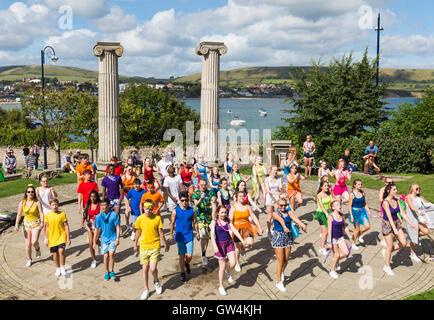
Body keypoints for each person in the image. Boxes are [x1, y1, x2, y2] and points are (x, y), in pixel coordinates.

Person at [134, 199, 169, 300]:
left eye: (150, 209)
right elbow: (137, 232)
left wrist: (165, 244)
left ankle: (156, 281)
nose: (148, 211)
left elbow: (161, 232)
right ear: (143, 208)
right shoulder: (140, 219)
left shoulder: (157, 218)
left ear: (153, 209)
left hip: (155, 245)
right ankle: (146, 289)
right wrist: (135, 245)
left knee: (152, 268)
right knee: (145, 269)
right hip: (144, 246)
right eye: (146, 208)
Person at [381, 184, 417, 276]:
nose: (396, 191)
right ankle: (387, 266)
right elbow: (389, 217)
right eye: (394, 189)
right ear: (389, 191)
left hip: (396, 223)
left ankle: (386, 253)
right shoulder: (385, 202)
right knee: (390, 246)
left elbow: (403, 214)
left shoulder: (397, 200)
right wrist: (394, 230)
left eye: (396, 189)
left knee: (404, 243)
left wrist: (411, 224)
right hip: (387, 225)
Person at [210, 205, 246, 296]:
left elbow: (234, 230)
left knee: (233, 263)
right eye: (222, 212)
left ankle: (228, 271)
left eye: (225, 212)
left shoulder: (228, 220)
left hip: (229, 243)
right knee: (222, 266)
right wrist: (214, 246)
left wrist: (241, 240)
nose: (223, 214)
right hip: (219, 245)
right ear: (218, 213)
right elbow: (212, 235)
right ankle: (221, 286)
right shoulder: (215, 222)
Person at [272, 198, 307, 291]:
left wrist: (301, 224)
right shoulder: (275, 213)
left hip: (288, 236)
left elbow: (295, 218)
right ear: (277, 205)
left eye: (285, 205)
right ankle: (279, 282)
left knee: (286, 260)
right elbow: (280, 220)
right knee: (280, 260)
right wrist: (284, 227)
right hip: (278, 237)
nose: (283, 207)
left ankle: (282, 272)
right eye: (281, 205)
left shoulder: (289, 212)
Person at [229, 191, 263, 272]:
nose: (241, 197)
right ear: (236, 197)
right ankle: (237, 263)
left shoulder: (248, 207)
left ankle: (243, 247)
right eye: (240, 196)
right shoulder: (233, 208)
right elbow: (230, 221)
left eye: (243, 196)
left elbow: (254, 217)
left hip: (247, 227)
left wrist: (260, 227)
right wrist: (230, 230)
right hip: (237, 228)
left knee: (250, 243)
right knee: (237, 247)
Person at [169, 191, 199, 283]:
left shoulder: (192, 210)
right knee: (181, 256)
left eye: (186, 200)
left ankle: (187, 263)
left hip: (189, 235)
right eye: (182, 200)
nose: (184, 202)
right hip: (180, 236)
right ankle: (182, 273)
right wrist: (171, 234)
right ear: (179, 200)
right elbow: (172, 223)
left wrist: (197, 233)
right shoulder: (175, 211)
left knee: (189, 256)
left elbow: (195, 222)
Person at [15, 185, 44, 267]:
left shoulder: (37, 202)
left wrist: (42, 222)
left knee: (34, 241)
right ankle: (29, 259)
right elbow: (19, 214)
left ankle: (37, 248)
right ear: (26, 193)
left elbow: (41, 213)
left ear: (34, 193)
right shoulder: (22, 202)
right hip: (26, 224)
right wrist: (16, 224)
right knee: (27, 244)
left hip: (36, 223)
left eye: (32, 191)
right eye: (29, 192)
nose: (30, 193)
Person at [93, 198, 121, 281]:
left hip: (113, 238)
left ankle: (112, 271)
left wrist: (117, 239)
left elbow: (118, 227)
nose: (103, 207)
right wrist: (95, 241)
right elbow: (97, 229)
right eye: (101, 205)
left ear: (108, 205)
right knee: (105, 255)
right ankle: (106, 272)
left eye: (104, 205)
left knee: (111, 254)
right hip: (104, 239)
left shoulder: (114, 214)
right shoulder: (98, 217)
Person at [192, 178, 217, 266]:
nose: (203, 187)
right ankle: (203, 256)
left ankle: (204, 253)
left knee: (207, 237)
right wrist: (201, 198)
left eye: (204, 185)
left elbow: (214, 199)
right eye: (201, 185)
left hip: (209, 217)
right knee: (203, 236)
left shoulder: (210, 192)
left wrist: (214, 199)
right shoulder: (196, 193)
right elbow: (196, 204)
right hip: (200, 218)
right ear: (199, 184)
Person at [44, 199, 70, 276]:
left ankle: (62, 267)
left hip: (61, 236)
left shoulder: (62, 214)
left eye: (56, 204)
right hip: (52, 238)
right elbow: (47, 228)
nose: (54, 206)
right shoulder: (47, 215)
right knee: (55, 254)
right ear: (50, 206)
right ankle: (57, 268)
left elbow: (66, 226)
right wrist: (46, 238)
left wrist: (68, 237)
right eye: (53, 205)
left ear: (58, 205)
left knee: (61, 251)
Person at [405, 184, 431, 263]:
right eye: (416, 188)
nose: (418, 189)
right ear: (412, 189)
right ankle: (412, 254)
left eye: (419, 188)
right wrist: (419, 212)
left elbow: (426, 204)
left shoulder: (419, 197)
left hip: (419, 218)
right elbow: (412, 207)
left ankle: (412, 236)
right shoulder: (409, 197)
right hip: (412, 219)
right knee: (415, 237)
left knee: (426, 231)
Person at [327, 200, 352, 279]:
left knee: (346, 252)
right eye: (337, 205)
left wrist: (350, 237)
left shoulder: (342, 215)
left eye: (340, 204)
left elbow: (345, 227)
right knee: (336, 254)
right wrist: (329, 242)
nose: (339, 206)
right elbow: (329, 230)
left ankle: (336, 261)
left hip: (340, 237)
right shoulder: (330, 217)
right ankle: (332, 270)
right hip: (333, 238)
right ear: (333, 207)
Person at [348, 179, 371, 250]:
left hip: (362, 211)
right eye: (358, 184)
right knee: (357, 229)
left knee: (367, 226)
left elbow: (365, 203)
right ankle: (353, 243)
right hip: (355, 212)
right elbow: (349, 206)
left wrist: (368, 211)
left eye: (361, 184)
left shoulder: (363, 193)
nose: (360, 186)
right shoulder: (352, 194)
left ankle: (359, 235)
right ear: (354, 185)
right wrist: (351, 215)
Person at [314, 180, 334, 256]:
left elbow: (332, 201)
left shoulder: (328, 194)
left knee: (329, 230)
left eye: (327, 186)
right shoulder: (319, 195)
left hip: (328, 212)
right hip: (321, 213)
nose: (326, 187)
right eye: (325, 186)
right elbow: (322, 206)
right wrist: (326, 213)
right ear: (321, 187)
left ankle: (329, 242)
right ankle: (321, 248)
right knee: (325, 232)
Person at [81, 190, 100, 268]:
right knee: (90, 244)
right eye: (91, 196)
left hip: (98, 226)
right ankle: (94, 260)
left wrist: (97, 216)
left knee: (95, 241)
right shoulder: (88, 205)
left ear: (97, 197)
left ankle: (99, 244)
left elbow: (102, 214)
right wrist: (82, 223)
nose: (93, 198)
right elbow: (84, 214)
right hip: (89, 225)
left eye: (94, 197)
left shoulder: (99, 205)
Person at [264, 166, 282, 236]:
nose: (275, 172)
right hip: (270, 197)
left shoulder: (279, 179)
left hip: (276, 198)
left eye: (276, 170)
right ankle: (268, 231)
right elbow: (267, 190)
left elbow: (280, 188)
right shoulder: (267, 179)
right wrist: (275, 193)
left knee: (278, 213)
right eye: (274, 170)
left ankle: (276, 228)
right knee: (270, 215)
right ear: (270, 171)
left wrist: (281, 189)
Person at [378, 177, 393, 247]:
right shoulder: (383, 189)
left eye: (392, 182)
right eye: (389, 183)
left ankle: (388, 236)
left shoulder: (393, 189)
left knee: (391, 221)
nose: (390, 184)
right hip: (385, 206)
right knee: (386, 221)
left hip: (392, 206)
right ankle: (383, 239)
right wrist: (386, 201)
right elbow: (380, 199)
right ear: (385, 183)